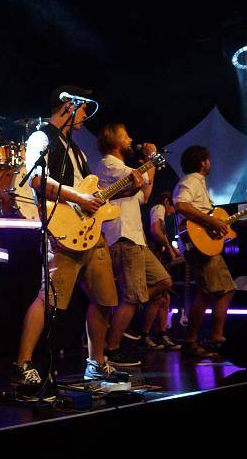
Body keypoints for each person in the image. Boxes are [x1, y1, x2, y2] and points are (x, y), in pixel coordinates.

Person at [11, 86, 123, 391]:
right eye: (83, 108)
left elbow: (89, 193)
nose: (86, 115)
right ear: (69, 106)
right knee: (48, 299)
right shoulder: (40, 137)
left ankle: (96, 363)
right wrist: (79, 198)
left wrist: (127, 186)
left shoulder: (76, 149)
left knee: (105, 299)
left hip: (90, 233)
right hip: (62, 232)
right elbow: (37, 180)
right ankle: (22, 364)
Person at [93, 124, 174, 365]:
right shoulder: (109, 164)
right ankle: (112, 348)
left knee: (164, 281)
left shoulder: (125, 169)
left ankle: (122, 318)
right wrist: (152, 158)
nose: (130, 139)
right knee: (131, 297)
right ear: (114, 140)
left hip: (136, 238)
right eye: (125, 136)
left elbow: (145, 194)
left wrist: (151, 163)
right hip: (123, 236)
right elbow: (141, 178)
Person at [174, 145, 247, 357]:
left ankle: (199, 339)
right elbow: (181, 205)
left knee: (210, 292)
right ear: (202, 162)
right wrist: (211, 221)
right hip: (199, 248)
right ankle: (208, 338)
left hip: (204, 245)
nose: (210, 164)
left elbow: (224, 227)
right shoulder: (191, 181)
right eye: (208, 160)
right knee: (218, 291)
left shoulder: (199, 183)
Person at [143, 191, 181, 350]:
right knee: (159, 296)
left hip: (157, 256)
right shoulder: (159, 208)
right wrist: (170, 248)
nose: (173, 211)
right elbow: (155, 230)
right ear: (166, 201)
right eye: (172, 206)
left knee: (165, 298)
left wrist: (170, 247)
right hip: (153, 256)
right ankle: (144, 335)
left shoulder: (161, 211)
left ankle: (162, 333)